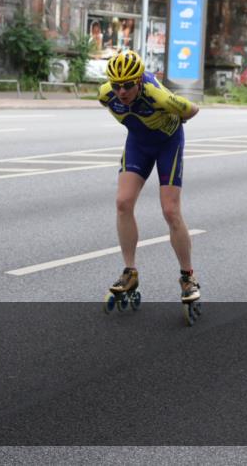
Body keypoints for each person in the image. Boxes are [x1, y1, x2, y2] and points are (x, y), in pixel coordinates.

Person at [97, 50, 201, 309]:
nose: (122, 91)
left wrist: (174, 114)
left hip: (168, 144)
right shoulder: (105, 95)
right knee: (123, 202)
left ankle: (188, 277)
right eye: (117, 85)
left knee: (170, 210)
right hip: (139, 144)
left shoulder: (158, 95)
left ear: (140, 81)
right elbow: (119, 106)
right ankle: (129, 272)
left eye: (128, 85)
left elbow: (193, 110)